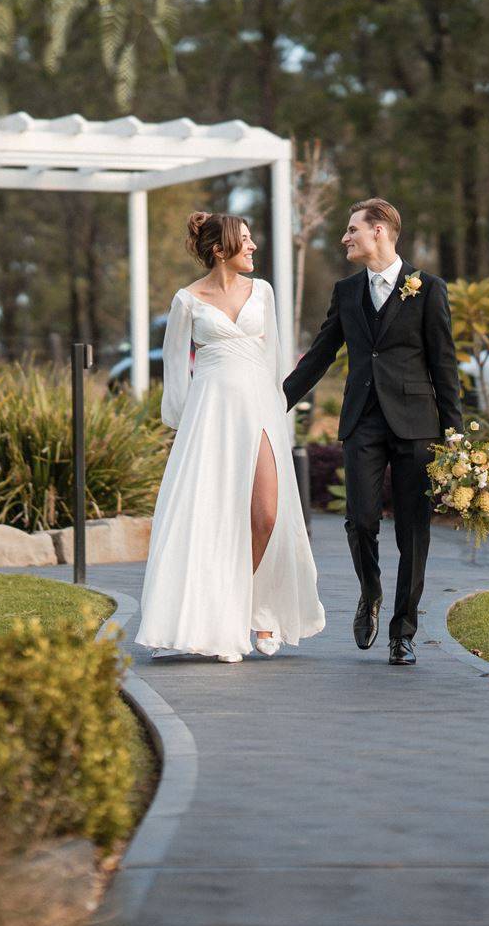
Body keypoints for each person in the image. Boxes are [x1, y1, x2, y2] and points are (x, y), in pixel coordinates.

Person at [136, 212, 324, 662]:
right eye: (245, 240)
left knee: (266, 514)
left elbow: (278, 359)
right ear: (219, 250)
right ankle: (223, 618)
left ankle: (255, 605)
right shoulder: (186, 301)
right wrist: (185, 429)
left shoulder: (263, 292)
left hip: (260, 411)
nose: (254, 246)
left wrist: (280, 417)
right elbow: (176, 373)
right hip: (210, 418)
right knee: (210, 519)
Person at [283, 198, 460, 666]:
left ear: (379, 231)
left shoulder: (428, 288)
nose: (345, 238)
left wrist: (456, 436)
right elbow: (319, 355)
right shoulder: (345, 292)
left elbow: (445, 365)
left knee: (413, 532)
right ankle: (371, 592)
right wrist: (273, 401)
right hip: (362, 420)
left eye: (352, 230)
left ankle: (403, 632)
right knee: (360, 520)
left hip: (417, 426)